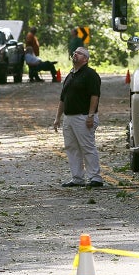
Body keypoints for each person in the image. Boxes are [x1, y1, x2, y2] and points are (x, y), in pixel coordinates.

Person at [53, 47, 103, 187]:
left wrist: (91, 115)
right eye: (75, 52)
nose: (75, 54)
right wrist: (58, 118)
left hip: (83, 116)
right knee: (71, 148)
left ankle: (95, 177)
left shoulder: (90, 75)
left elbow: (95, 96)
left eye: (79, 53)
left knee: (87, 147)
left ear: (85, 59)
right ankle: (77, 178)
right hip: (69, 117)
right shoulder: (70, 75)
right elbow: (63, 99)